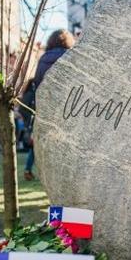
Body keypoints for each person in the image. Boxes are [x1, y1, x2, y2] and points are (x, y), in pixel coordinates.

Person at [21, 29, 75, 181]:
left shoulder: (43, 60)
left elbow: (38, 87)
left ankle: (52, 179)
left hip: (47, 112)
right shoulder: (71, 57)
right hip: (69, 111)